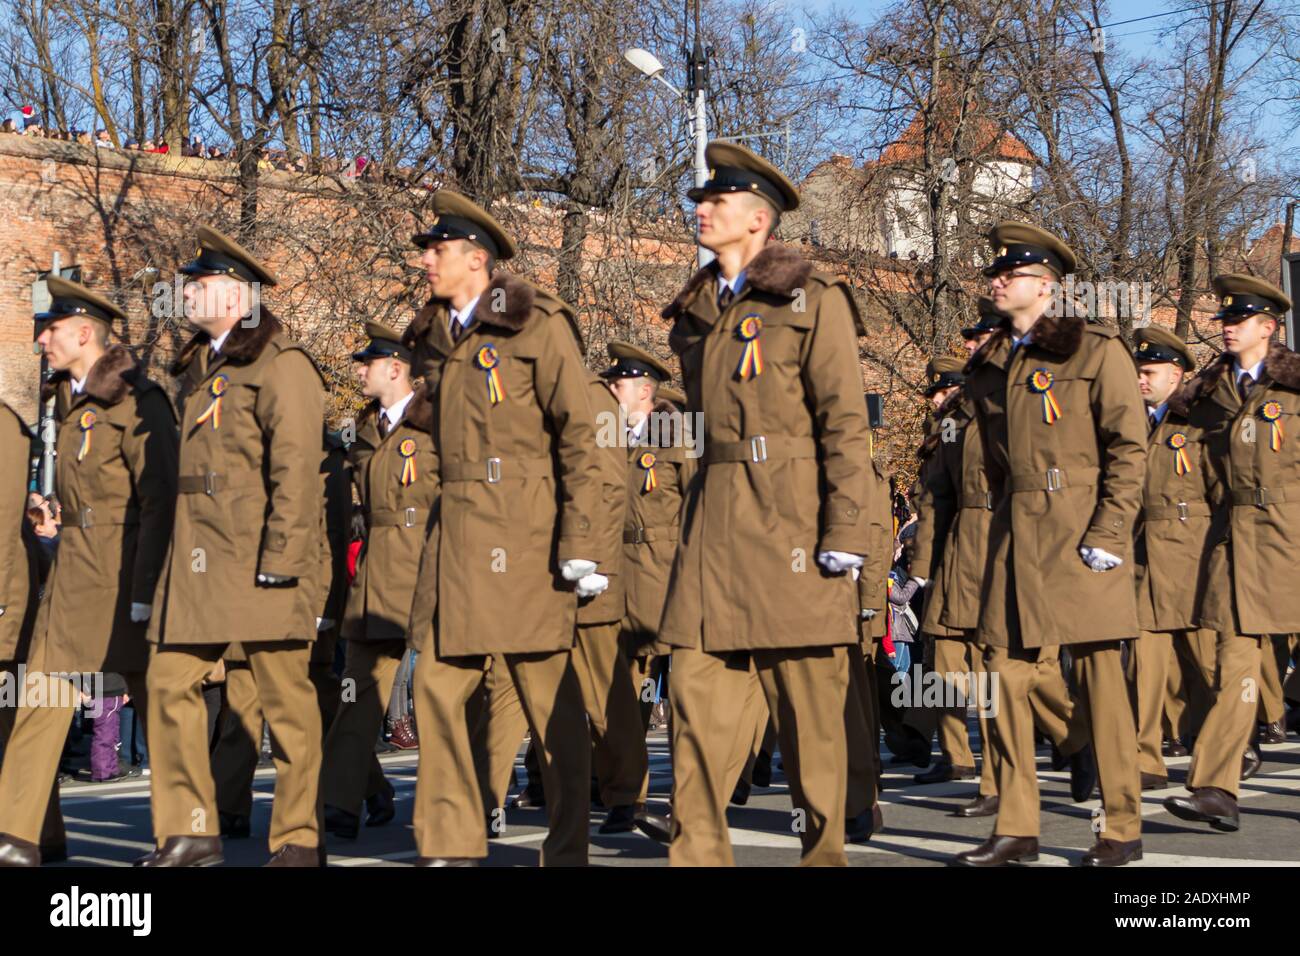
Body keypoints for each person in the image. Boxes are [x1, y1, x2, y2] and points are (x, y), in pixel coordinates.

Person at [658, 141, 879, 866]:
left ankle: (825, 853)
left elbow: (844, 422)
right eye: (701, 200)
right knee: (694, 706)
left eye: (716, 202)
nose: (701, 209)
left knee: (812, 724)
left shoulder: (811, 302)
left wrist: (845, 528)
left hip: (791, 527)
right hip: (714, 533)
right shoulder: (693, 314)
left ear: (757, 220)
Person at [402, 189, 602, 866]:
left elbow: (581, 435)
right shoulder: (434, 336)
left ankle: (568, 843)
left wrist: (582, 543)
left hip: (524, 540)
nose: (426, 260)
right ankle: (451, 842)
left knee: (549, 708)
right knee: (433, 688)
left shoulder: (536, 325)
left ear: (476, 260)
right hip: (455, 541)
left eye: (438, 250)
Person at [956, 221, 1147, 867]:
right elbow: (986, 468)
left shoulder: (1093, 350)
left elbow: (1128, 447)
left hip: (1081, 532)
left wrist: (1110, 531)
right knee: (1004, 682)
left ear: (1045, 285)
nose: (995, 282)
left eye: (1008, 274)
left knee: (1101, 687)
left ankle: (1120, 827)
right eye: (995, 274)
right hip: (1014, 539)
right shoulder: (987, 365)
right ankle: (1017, 827)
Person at [140, 226, 326, 867]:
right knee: (166, 683)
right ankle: (194, 829)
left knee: (287, 704)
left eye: (201, 283)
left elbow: (296, 470)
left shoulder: (282, 365)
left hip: (256, 562)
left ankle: (300, 838)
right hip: (201, 568)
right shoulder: (202, 368)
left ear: (238, 297)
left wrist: (282, 561)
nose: (187, 292)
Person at [0, 277, 177, 867]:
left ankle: (183, 834)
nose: (42, 339)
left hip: (123, 574)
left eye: (51, 330)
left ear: (84, 333)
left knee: (157, 705)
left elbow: (159, 501)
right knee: (40, 701)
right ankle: (17, 836)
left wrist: (147, 590)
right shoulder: (65, 400)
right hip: (73, 573)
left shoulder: (137, 401)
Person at [1163, 274, 1299, 833]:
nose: (1228, 328)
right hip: (1236, 543)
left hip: (1292, 537)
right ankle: (1217, 786)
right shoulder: (1209, 396)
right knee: (1236, 660)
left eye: (1239, 320)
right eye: (1224, 320)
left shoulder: (1294, 390)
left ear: (1269, 327)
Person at [320, 321, 435, 839]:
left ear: (396, 369)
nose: (359, 371)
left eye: (367, 363)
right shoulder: (363, 433)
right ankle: (340, 805)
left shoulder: (438, 423)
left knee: (444, 698)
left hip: (430, 571)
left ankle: (464, 803)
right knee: (356, 693)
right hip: (376, 575)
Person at [1128, 326, 1214, 791]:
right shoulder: (1132, 423)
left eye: (1149, 372)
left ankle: (1222, 750)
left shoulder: (1199, 420)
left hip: (1190, 554)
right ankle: (1146, 760)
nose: (1141, 380)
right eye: (1138, 371)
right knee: (1143, 666)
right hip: (1144, 558)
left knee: (1206, 665)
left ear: (1176, 374)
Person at [906, 355, 978, 785]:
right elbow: (930, 500)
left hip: (976, 555)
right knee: (941, 660)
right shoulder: (940, 433)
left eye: (942, 390)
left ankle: (1068, 734)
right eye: (933, 392)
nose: (935, 399)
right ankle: (954, 754)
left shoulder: (975, 424)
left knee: (995, 666)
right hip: (944, 559)